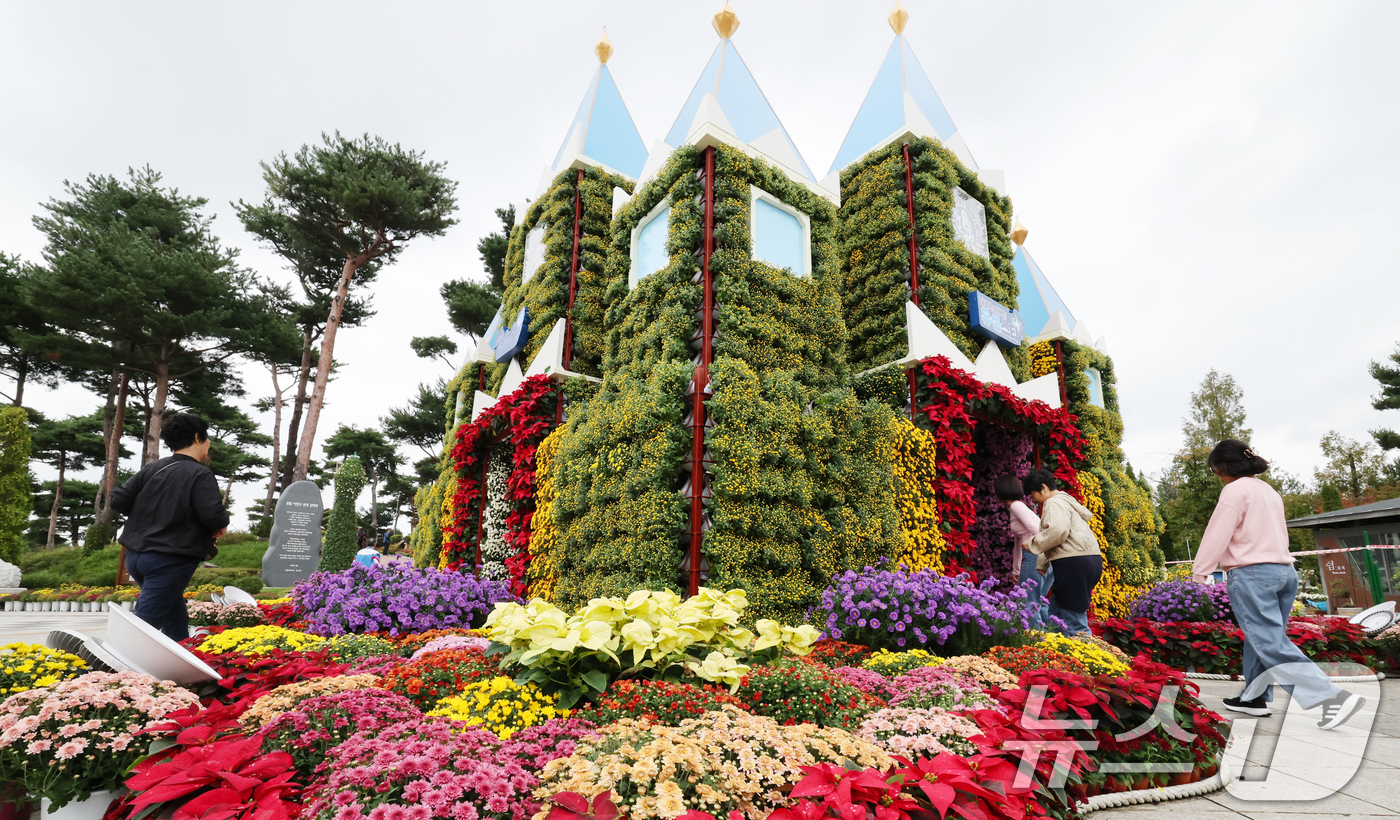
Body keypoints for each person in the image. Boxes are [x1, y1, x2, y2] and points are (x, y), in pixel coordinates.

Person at [1192, 439, 1364, 730]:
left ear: (1221, 467)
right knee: (1263, 637)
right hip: (1283, 571)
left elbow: (1217, 533)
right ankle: (1254, 697)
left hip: (1252, 573)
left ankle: (1330, 697)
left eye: (1213, 469)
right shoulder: (1267, 490)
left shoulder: (1234, 490)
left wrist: (1200, 573)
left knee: (1267, 640)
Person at [110, 413, 229, 641]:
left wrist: (148, 514)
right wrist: (220, 524)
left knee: (173, 608)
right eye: (207, 438)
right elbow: (213, 514)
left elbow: (119, 499)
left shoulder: (154, 468)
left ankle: (181, 649)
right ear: (197, 437)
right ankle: (104, 673)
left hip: (135, 556)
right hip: (169, 558)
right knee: (143, 627)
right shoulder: (200, 474)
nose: (208, 444)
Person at [1023, 469, 1102, 636]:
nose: (1034, 500)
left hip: (1074, 564)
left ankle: (1088, 660)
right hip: (1086, 560)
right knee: (1056, 617)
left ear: (1043, 488)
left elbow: (1057, 532)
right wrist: (1042, 563)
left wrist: (1032, 544)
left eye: (1033, 494)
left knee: (1074, 624)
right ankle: (1063, 657)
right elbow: (1059, 537)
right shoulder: (1066, 502)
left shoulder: (1054, 503)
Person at [996, 475, 1053, 616]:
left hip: (1036, 555)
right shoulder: (1015, 508)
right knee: (1039, 603)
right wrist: (1016, 570)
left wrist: (1041, 550)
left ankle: (1036, 637)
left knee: (1027, 603)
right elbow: (1018, 542)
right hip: (1045, 555)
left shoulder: (1016, 506)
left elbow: (1035, 529)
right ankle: (1049, 637)